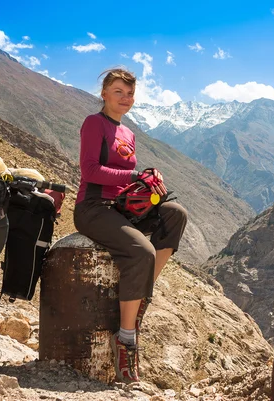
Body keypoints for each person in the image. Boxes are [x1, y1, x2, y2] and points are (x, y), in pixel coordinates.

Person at [73, 68, 188, 383]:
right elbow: (91, 171)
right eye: (119, 92)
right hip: (93, 208)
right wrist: (134, 176)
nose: (125, 99)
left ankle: (139, 301)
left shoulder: (128, 133)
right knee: (142, 252)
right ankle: (126, 339)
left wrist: (148, 185)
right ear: (105, 94)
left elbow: (124, 179)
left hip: (122, 207)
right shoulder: (93, 124)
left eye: (130, 93)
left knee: (175, 213)